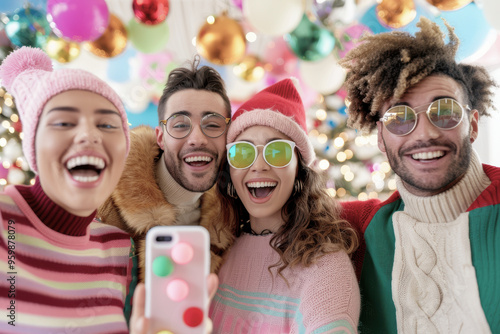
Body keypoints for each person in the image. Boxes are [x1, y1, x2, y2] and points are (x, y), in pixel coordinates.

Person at [338, 18, 500, 333]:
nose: (425, 133)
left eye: (445, 112)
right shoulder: (359, 229)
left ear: (474, 125)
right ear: (381, 139)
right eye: (400, 117)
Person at [209, 78, 360, 333]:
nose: (258, 165)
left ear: (300, 171)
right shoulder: (218, 249)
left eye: (277, 151)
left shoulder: (325, 267)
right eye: (242, 152)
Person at [0, 46, 132, 333]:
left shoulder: (118, 248)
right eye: (62, 122)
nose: (89, 134)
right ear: (33, 146)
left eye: (108, 124)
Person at [98, 57, 233, 282]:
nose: (197, 138)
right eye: (180, 125)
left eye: (212, 125)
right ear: (161, 137)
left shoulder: (229, 221)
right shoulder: (100, 202)